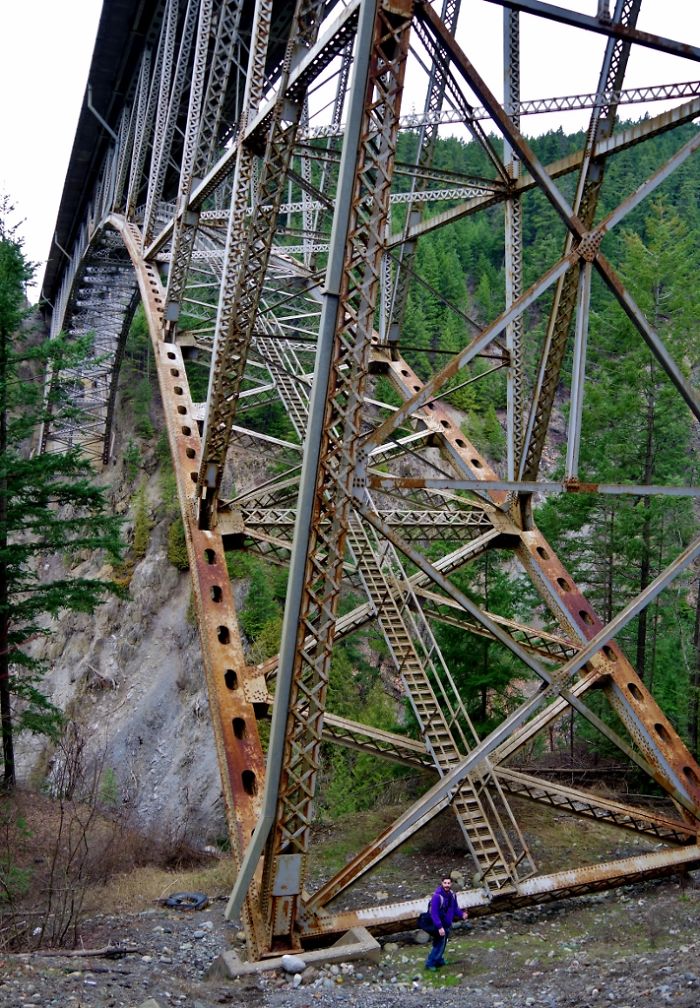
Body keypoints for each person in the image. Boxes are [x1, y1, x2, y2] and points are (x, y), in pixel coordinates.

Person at [424, 875, 468, 970]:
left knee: (443, 943)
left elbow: (454, 908)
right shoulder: (437, 896)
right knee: (439, 943)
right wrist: (439, 927)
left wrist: (461, 914)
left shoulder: (452, 894)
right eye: (445, 883)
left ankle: (438, 960)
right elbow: (434, 913)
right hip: (438, 924)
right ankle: (430, 963)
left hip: (447, 923)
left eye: (448, 883)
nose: (447, 885)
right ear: (441, 883)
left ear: (451, 883)